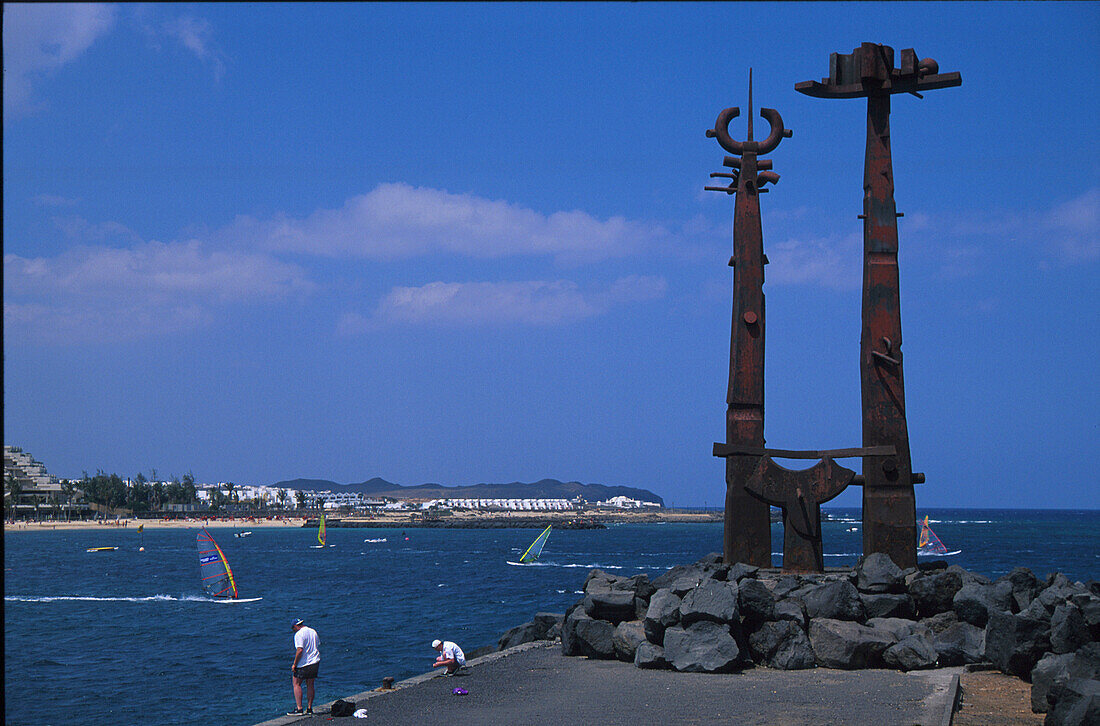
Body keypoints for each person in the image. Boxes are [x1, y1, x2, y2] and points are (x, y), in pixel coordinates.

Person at [288, 619, 320, 715]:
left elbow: (300, 650)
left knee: (296, 683)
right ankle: (309, 708)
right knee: (310, 684)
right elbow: (317, 644)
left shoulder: (298, 634)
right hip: (315, 661)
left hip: (304, 663)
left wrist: (295, 664)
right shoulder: (313, 631)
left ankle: (299, 708)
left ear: (295, 626)